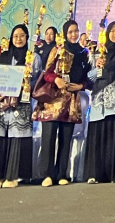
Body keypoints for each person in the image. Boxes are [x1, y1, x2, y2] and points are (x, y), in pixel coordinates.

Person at [33, 19, 91, 186]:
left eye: (76, 31)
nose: (73, 34)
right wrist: (56, 80)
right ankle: (47, 174)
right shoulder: (58, 49)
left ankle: (61, 174)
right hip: (53, 99)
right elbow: (47, 72)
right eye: (70, 32)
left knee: (66, 137)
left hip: (71, 100)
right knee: (49, 137)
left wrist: (81, 86)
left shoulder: (83, 53)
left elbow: (88, 78)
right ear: (65, 33)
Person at [0, 23, 37, 189]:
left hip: (20, 103)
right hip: (1, 102)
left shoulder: (32, 58)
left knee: (17, 137)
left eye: (22, 36)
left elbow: (36, 81)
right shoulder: (3, 56)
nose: (18, 39)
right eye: (15, 36)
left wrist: (21, 91)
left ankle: (13, 176)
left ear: (27, 38)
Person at [83, 21, 115, 184]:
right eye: (112, 31)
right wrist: (97, 66)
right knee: (98, 134)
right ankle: (95, 173)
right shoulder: (99, 51)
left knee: (114, 135)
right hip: (98, 99)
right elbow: (90, 77)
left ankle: (114, 174)